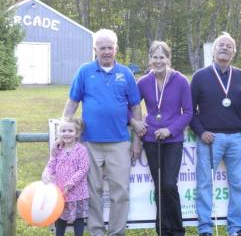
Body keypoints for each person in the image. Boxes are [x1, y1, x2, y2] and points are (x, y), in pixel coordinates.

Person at [62, 29, 142, 236]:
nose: (106, 51)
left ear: (116, 49)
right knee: (93, 191)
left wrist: (137, 142)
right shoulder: (84, 71)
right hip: (89, 143)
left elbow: (135, 107)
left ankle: (117, 232)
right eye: (102, 47)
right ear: (95, 49)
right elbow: (72, 103)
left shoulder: (126, 73)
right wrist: (63, 129)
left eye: (110, 47)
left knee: (121, 191)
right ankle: (97, 231)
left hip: (119, 142)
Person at [190, 32, 241, 236]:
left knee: (237, 185)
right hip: (210, 139)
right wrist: (201, 132)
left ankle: (236, 229)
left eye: (229, 46)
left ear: (234, 52)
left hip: (237, 138)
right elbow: (190, 111)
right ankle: (205, 229)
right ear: (213, 50)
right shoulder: (200, 76)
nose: (225, 48)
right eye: (221, 45)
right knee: (204, 185)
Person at [131, 41, 193, 236]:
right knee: (159, 186)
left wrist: (170, 129)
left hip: (172, 140)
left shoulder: (180, 80)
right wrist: (136, 123)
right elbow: (129, 107)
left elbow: (188, 112)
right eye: (155, 57)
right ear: (150, 59)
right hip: (150, 140)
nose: (158, 61)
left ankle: (177, 230)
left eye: (162, 57)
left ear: (168, 59)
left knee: (169, 184)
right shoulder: (143, 82)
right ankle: (163, 230)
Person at [42, 117, 89, 236]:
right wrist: (46, 172)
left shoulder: (81, 150)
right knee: (60, 218)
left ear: (77, 133)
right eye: (63, 131)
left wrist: (70, 184)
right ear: (59, 133)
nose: (66, 134)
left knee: (78, 219)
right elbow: (51, 164)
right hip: (60, 191)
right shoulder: (58, 149)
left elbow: (83, 169)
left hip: (77, 192)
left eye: (70, 131)